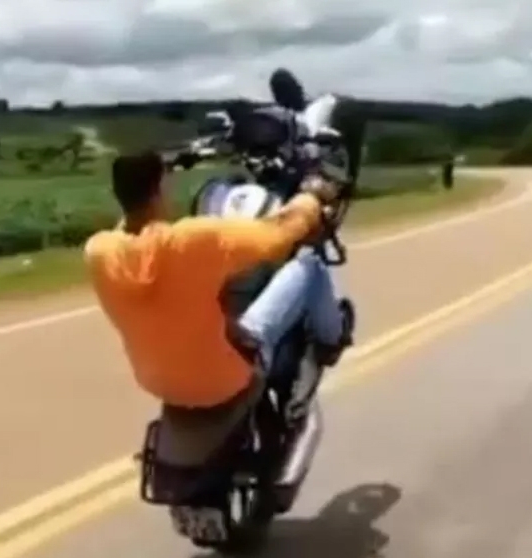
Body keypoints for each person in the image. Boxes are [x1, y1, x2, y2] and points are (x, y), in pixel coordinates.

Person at [84, 150, 349, 410]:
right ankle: (331, 341)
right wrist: (310, 199)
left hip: (157, 383)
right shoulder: (193, 240)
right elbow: (278, 238)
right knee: (309, 267)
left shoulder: (98, 252)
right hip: (223, 382)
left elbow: (129, 228)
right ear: (160, 190)